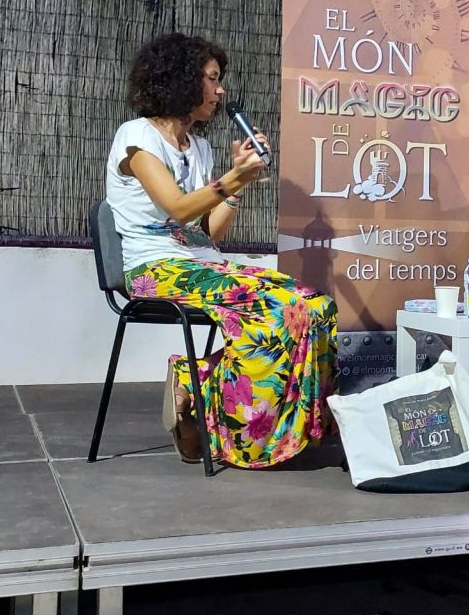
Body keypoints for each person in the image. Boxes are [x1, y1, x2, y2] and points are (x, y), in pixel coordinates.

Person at [105, 33, 338, 469]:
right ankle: (211, 399)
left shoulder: (199, 148)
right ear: (181, 80)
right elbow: (177, 208)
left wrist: (237, 184)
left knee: (315, 306)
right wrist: (233, 178)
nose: (220, 90)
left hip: (203, 263)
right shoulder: (136, 137)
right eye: (212, 79)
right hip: (155, 269)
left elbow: (207, 231)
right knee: (279, 311)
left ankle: (195, 384)